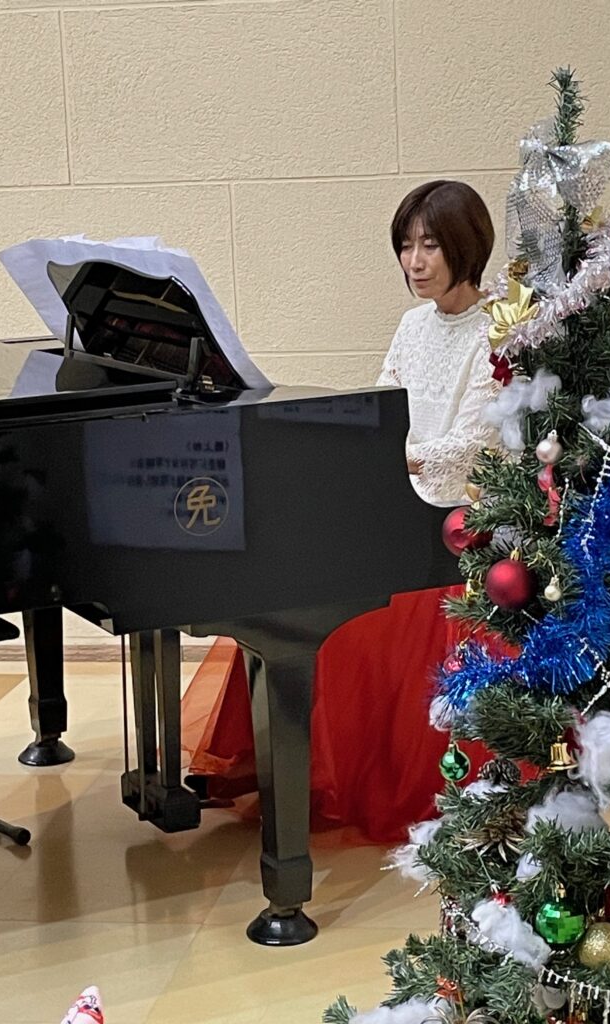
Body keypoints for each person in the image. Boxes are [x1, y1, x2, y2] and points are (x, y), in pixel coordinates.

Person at [181, 181, 505, 843]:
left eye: (430, 245)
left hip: (455, 518)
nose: (414, 261)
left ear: (466, 247)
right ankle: (280, 759)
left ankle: (358, 773)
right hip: (399, 500)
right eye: (406, 246)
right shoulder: (413, 324)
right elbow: (383, 405)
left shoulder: (498, 330)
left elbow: (470, 447)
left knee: (360, 603)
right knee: (291, 583)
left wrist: (392, 459)